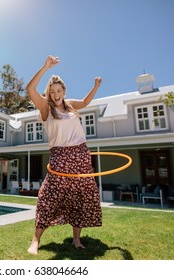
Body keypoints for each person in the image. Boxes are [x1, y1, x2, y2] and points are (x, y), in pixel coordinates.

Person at [26, 55, 102, 255]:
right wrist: (45, 67)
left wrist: (95, 86)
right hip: (60, 156)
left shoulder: (70, 105)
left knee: (80, 197)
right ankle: (36, 239)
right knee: (48, 197)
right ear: (49, 93)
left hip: (81, 154)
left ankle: (76, 239)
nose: (56, 94)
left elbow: (85, 102)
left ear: (64, 91)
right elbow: (30, 90)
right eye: (52, 91)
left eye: (59, 90)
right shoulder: (46, 108)